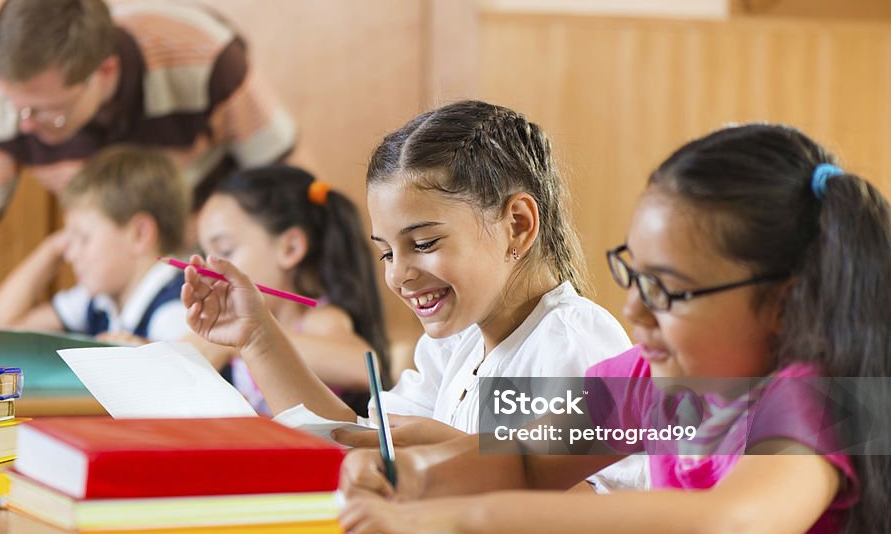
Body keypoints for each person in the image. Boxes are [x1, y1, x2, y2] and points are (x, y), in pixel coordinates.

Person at [340, 123, 891, 534]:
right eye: (635, 274)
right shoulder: (648, 379)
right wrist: (407, 478)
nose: (634, 308)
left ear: (783, 303)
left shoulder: (820, 399)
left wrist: (461, 521)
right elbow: (526, 461)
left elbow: (725, 532)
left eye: (668, 289)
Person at [180, 100, 631, 440]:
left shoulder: (570, 345)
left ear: (517, 225)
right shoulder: (456, 345)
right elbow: (355, 441)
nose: (398, 275)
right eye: (387, 253)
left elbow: (600, 510)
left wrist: (451, 452)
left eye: (424, 243)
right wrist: (257, 336)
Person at [0, 0, 301, 308]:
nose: (25, 124)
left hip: (217, 274)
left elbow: (296, 186)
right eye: (15, 105)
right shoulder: (0, 103)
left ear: (105, 71)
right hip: (123, 283)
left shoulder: (205, 56)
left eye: (45, 111)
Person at [195, 165, 389, 415]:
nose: (207, 269)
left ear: (290, 248)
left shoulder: (318, 319)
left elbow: (363, 367)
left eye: (224, 251)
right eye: (204, 254)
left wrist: (242, 341)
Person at [0, 145, 189, 344]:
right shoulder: (99, 301)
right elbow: (0, 328)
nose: (70, 255)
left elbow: (188, 373)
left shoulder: (175, 310)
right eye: (68, 241)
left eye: (83, 238)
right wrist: (50, 249)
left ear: (139, 235)